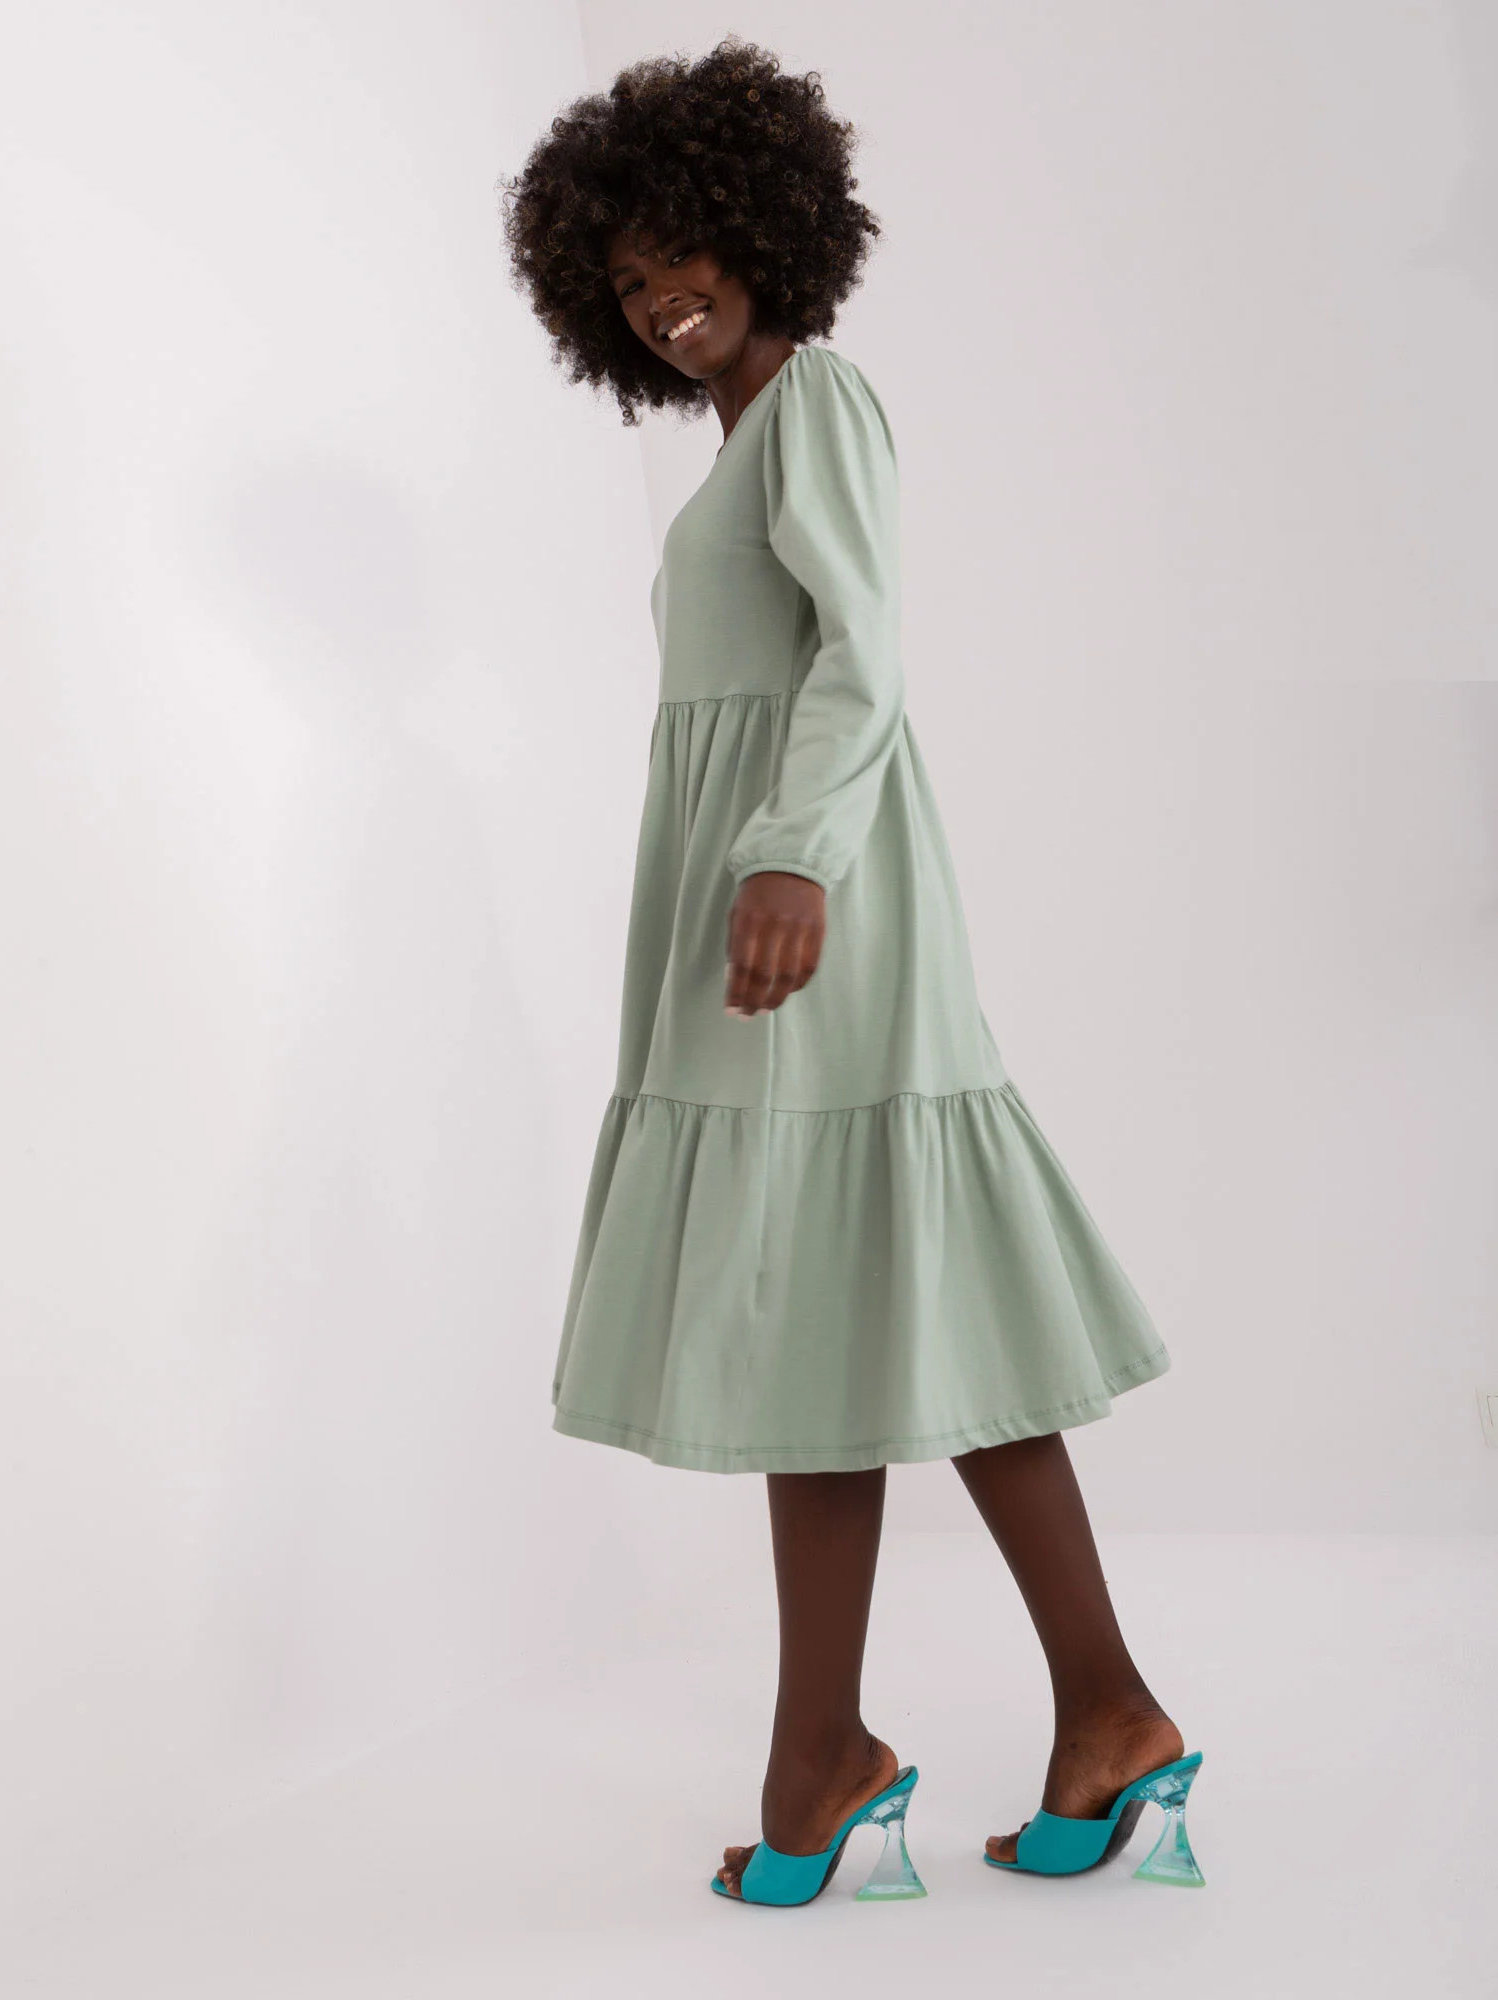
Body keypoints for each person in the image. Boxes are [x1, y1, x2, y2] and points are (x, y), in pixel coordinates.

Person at [499, 37, 1202, 1907]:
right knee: (864, 1296)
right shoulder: (744, 433)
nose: (658, 298)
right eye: (623, 280)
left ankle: (846, 1754)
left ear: (762, 228)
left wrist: (791, 854)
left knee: (841, 1284)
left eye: (679, 253)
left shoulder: (813, 399)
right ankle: (1087, 1712)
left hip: (814, 891)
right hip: (770, 886)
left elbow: (864, 650)